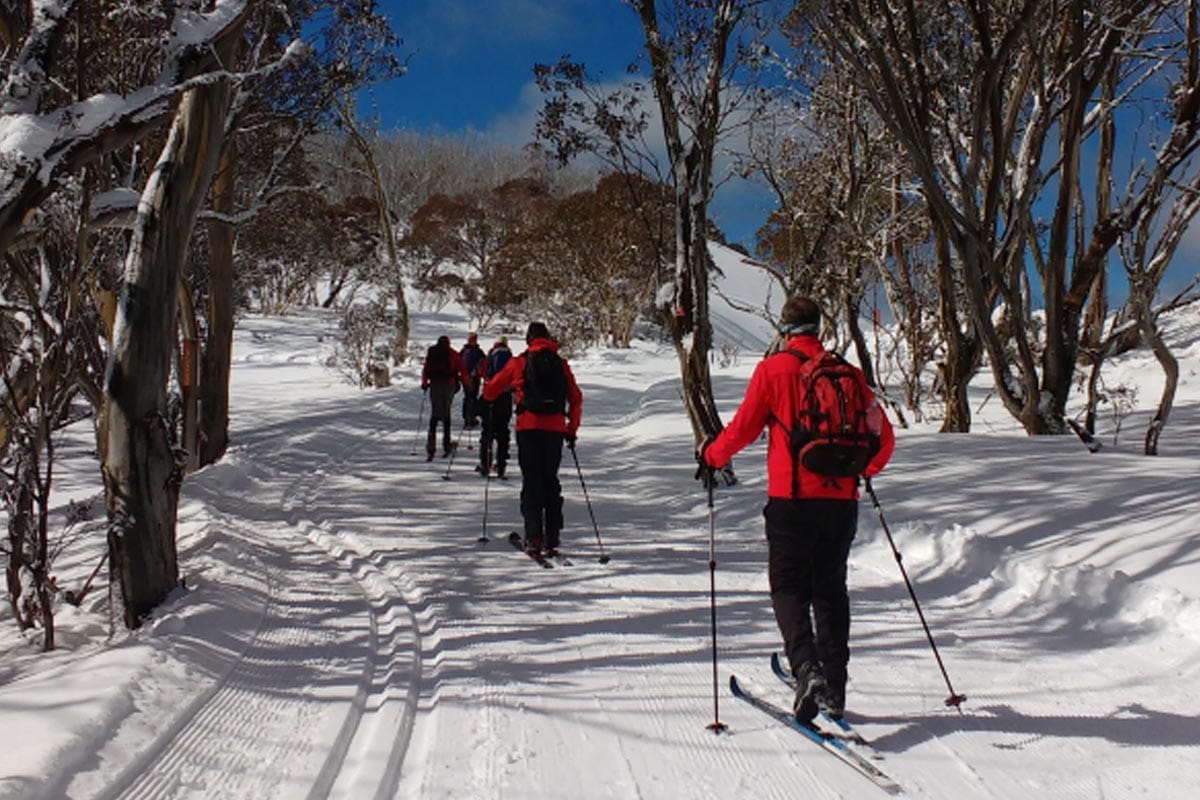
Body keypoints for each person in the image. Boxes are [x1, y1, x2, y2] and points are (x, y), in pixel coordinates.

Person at [697, 296, 895, 724]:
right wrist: (861, 471)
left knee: (788, 587)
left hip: (791, 500)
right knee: (831, 590)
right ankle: (834, 687)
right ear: (818, 327)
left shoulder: (773, 370)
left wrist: (711, 456)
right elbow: (885, 439)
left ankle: (806, 669)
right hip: (841, 502)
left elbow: (743, 429)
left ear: (785, 331)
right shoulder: (850, 376)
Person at [481, 322, 582, 555]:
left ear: (528, 339)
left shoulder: (520, 362)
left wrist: (484, 399)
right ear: (548, 338)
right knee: (550, 479)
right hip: (555, 428)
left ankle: (533, 536)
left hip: (528, 427)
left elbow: (494, 387)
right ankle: (552, 535)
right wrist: (571, 428)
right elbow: (575, 398)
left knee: (532, 480)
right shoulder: (561, 364)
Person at [421, 335, 471, 461]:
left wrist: (424, 383)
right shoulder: (452, 353)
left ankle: (431, 447)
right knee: (446, 412)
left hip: (434, 384)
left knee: (435, 413)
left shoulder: (432, 353)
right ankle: (446, 445)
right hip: (449, 384)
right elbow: (462, 369)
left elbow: (426, 369)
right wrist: (466, 385)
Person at [475, 336, 514, 478]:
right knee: (503, 431)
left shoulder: (490, 355)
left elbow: (482, 372)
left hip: (490, 395)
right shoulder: (510, 357)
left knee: (487, 431)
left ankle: (485, 464)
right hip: (505, 397)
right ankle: (501, 466)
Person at [460, 332, 486, 428]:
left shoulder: (463, 351)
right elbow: (484, 363)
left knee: (468, 397)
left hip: (466, 378)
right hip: (474, 378)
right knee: (472, 397)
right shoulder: (479, 352)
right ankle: (471, 417)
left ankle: (467, 418)